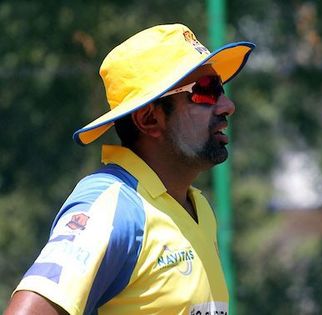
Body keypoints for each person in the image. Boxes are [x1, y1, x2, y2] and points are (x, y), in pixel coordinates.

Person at [4, 23, 254, 315]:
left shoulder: (197, 208)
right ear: (149, 119)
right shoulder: (112, 207)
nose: (227, 105)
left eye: (220, 88)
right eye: (205, 92)